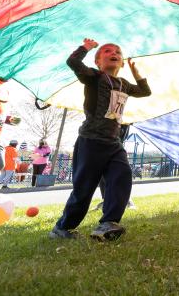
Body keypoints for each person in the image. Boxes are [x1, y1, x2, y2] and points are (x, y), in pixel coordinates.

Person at [49, 39, 151, 240]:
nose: (113, 53)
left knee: (121, 176)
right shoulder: (94, 77)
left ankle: (108, 224)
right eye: (106, 51)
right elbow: (73, 63)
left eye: (117, 52)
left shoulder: (124, 84)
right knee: (84, 189)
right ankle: (62, 228)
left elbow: (145, 92)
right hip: (91, 141)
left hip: (113, 142)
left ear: (121, 62)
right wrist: (86, 48)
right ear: (98, 62)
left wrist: (136, 73)